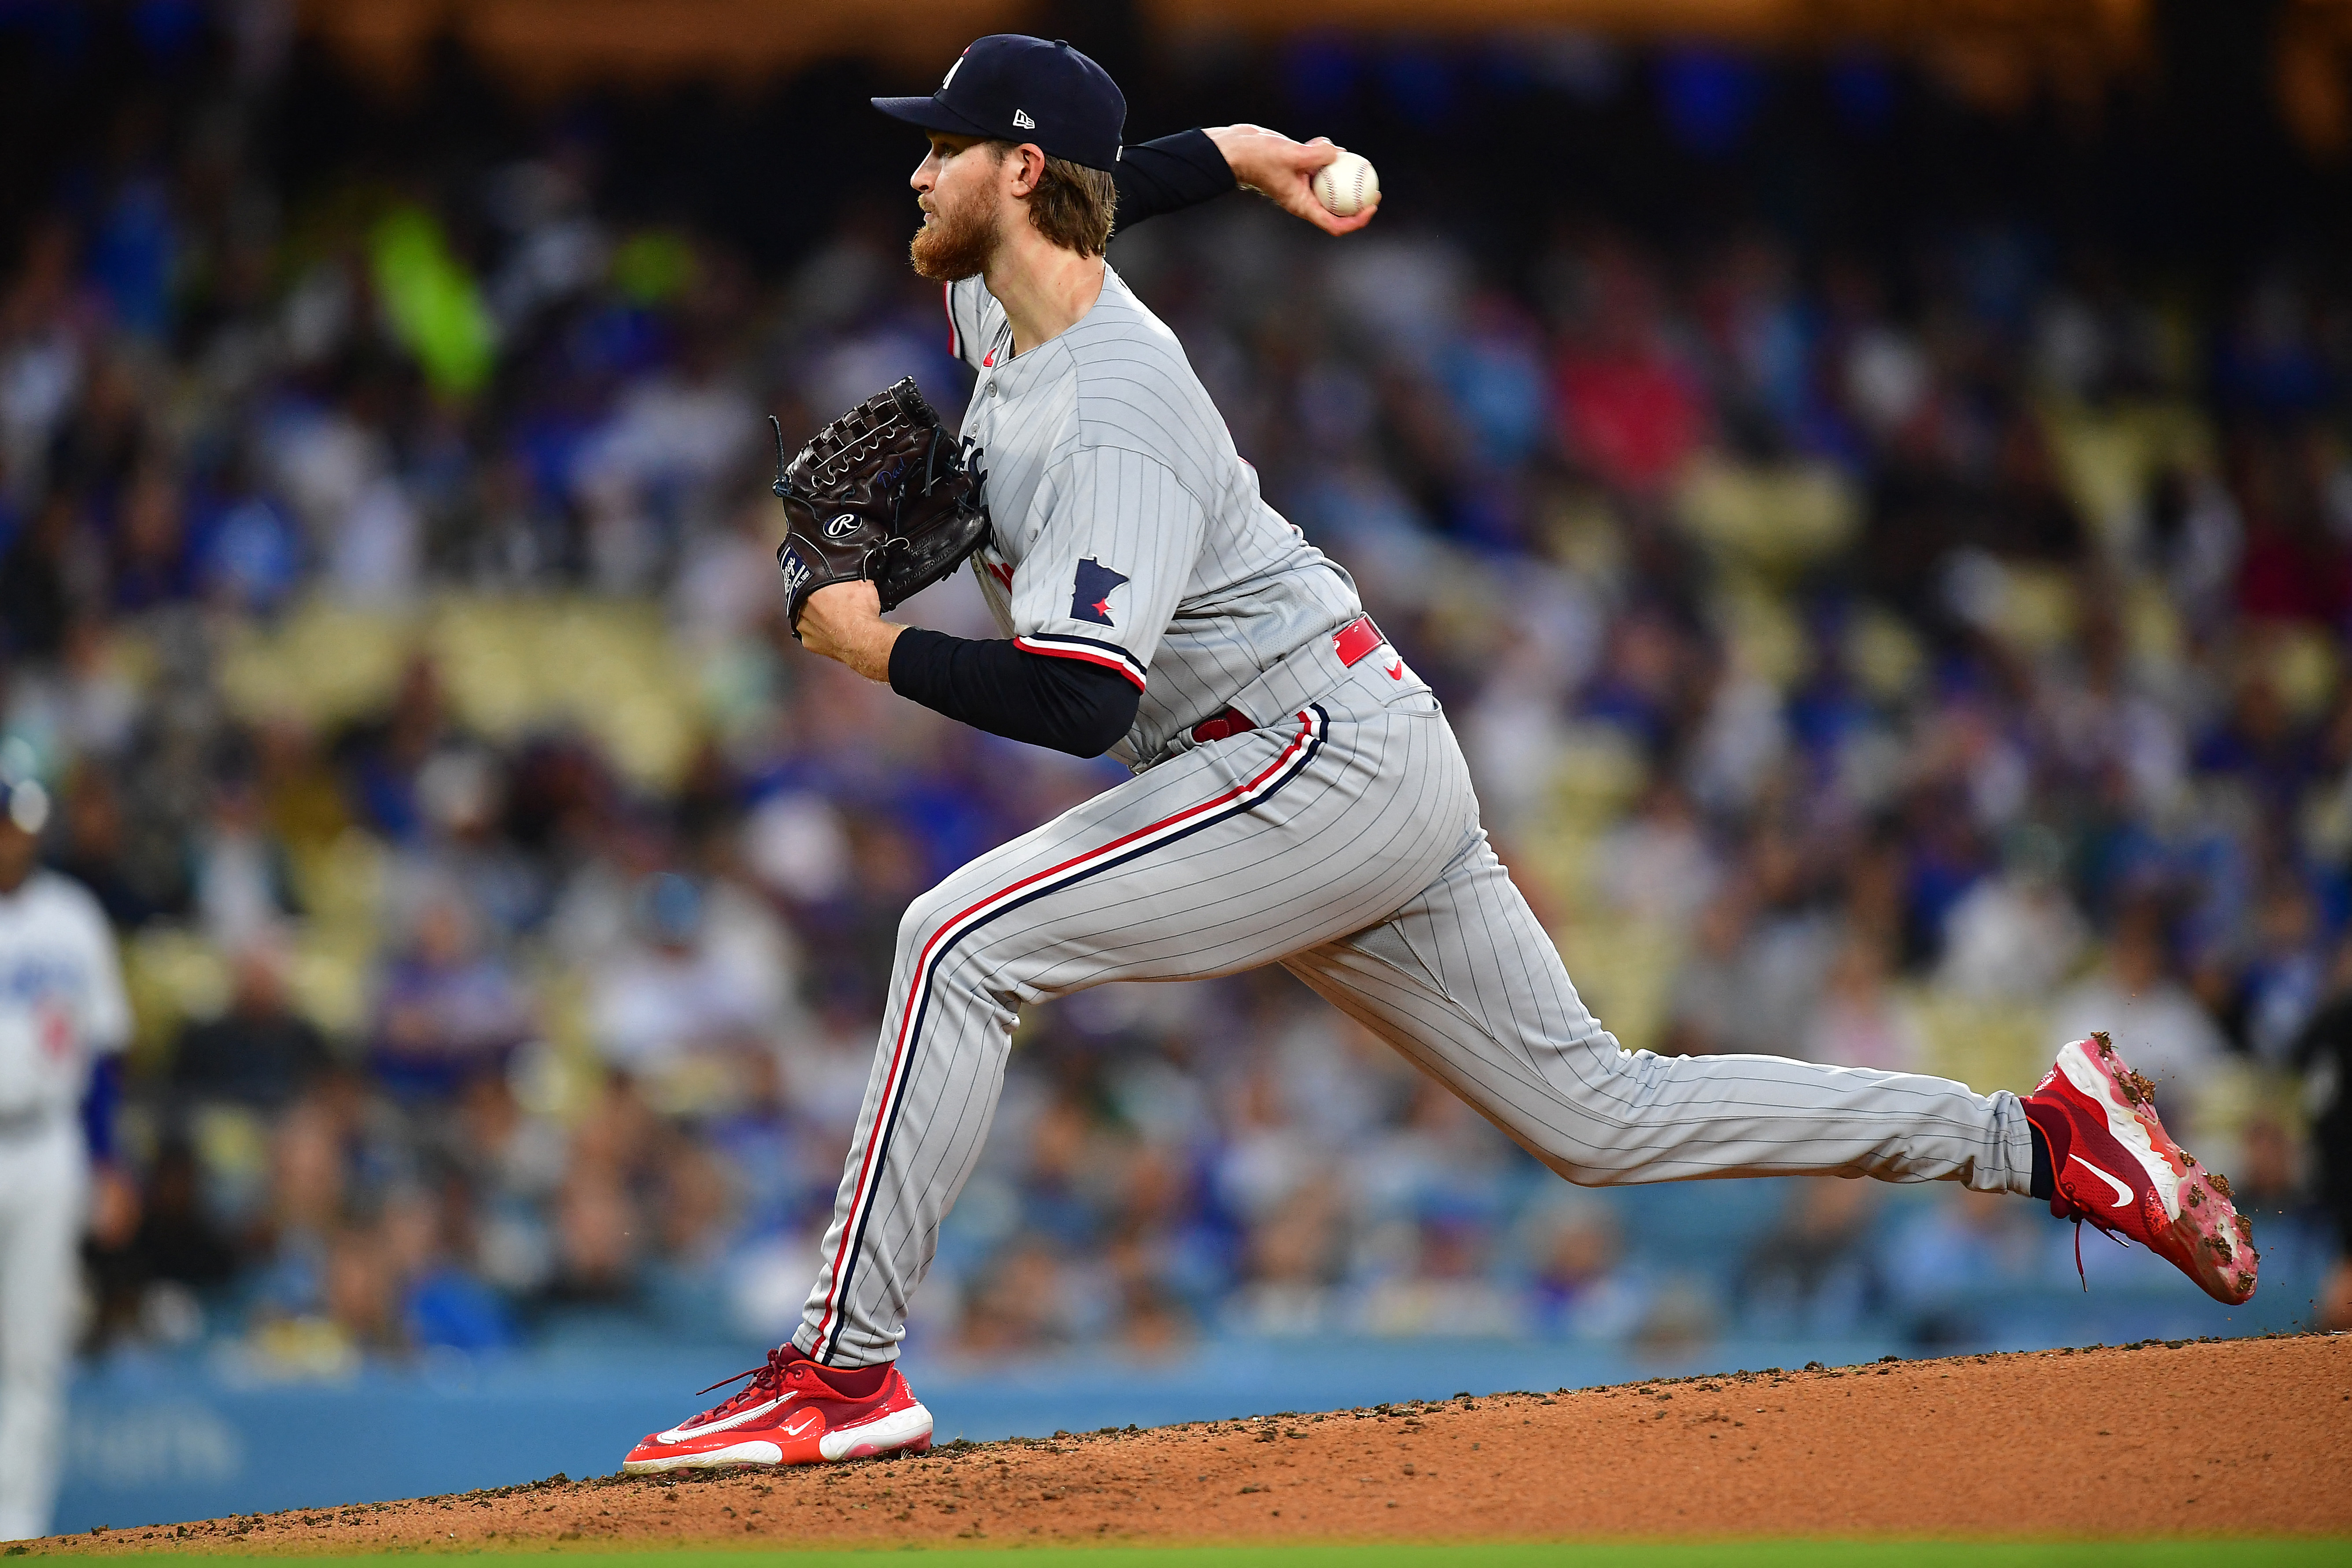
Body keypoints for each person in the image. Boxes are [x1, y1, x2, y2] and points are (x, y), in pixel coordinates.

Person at [622, 34, 2256, 1474]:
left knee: (955, 939)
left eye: (944, 146)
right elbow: (1122, 184)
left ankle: (840, 1374)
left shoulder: (1118, 402)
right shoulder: (999, 289)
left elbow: (1083, 706)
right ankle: (2043, 1137)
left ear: (1024, 171)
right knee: (1599, 1118)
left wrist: (871, 646)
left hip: (1299, 754)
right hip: (1343, 741)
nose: (916, 169)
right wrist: (1249, 156)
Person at [0, 778, 133, 1538]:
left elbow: (104, 1053)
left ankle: (17, 1523)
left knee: (33, 1347)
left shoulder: (73, 919)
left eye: (24, 828)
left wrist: (110, 1162)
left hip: (49, 1138)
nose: (15, 840)